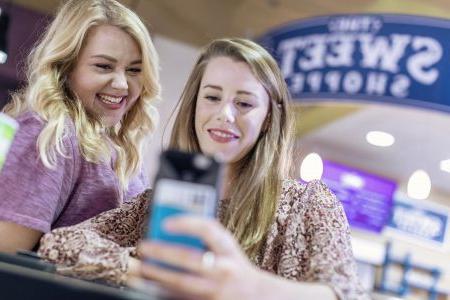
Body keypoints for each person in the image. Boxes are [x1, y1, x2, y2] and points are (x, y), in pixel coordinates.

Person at [38, 38, 369, 299]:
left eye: (244, 103)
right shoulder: (155, 204)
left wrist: (251, 289)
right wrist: (142, 270)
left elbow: (345, 293)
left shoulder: (308, 204)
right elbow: (58, 243)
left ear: (268, 117)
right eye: (212, 97)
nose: (225, 114)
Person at [0, 0, 160, 253]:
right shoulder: (49, 133)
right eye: (103, 66)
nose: (122, 84)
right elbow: (7, 255)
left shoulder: (123, 146)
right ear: (66, 67)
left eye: (134, 70)